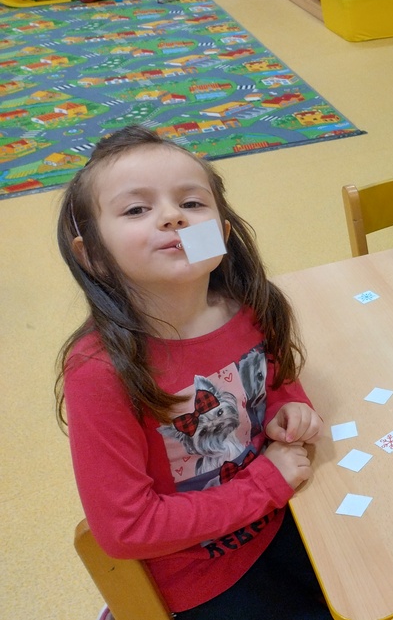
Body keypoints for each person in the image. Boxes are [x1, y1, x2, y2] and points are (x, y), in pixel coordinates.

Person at [55, 126, 331, 619]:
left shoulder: (248, 306)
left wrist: (288, 406)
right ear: (91, 253)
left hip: (281, 515)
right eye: (136, 210)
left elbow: (275, 378)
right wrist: (265, 483)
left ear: (221, 233)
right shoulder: (98, 371)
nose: (172, 216)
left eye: (192, 203)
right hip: (199, 576)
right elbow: (127, 529)